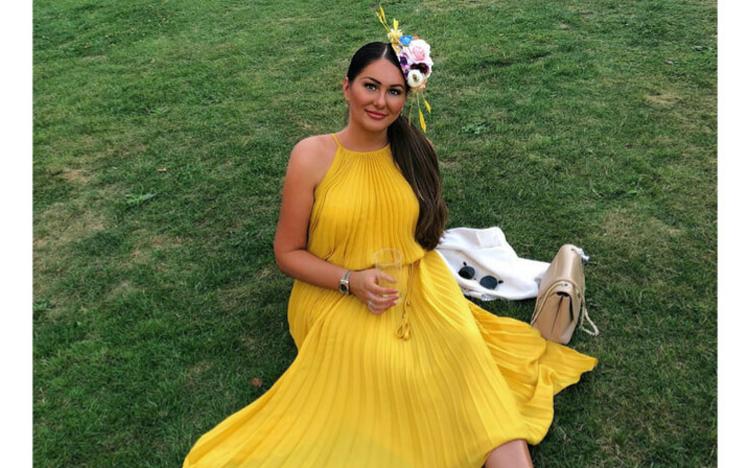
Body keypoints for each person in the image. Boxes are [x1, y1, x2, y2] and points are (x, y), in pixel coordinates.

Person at [183, 12, 597, 468]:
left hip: (420, 283)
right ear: (346, 87)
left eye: (394, 91)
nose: (381, 101)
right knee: (391, 368)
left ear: (407, 96)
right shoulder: (312, 156)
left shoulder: (416, 152)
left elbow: (425, 232)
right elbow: (287, 254)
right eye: (370, 86)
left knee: (463, 357)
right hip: (335, 295)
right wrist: (351, 281)